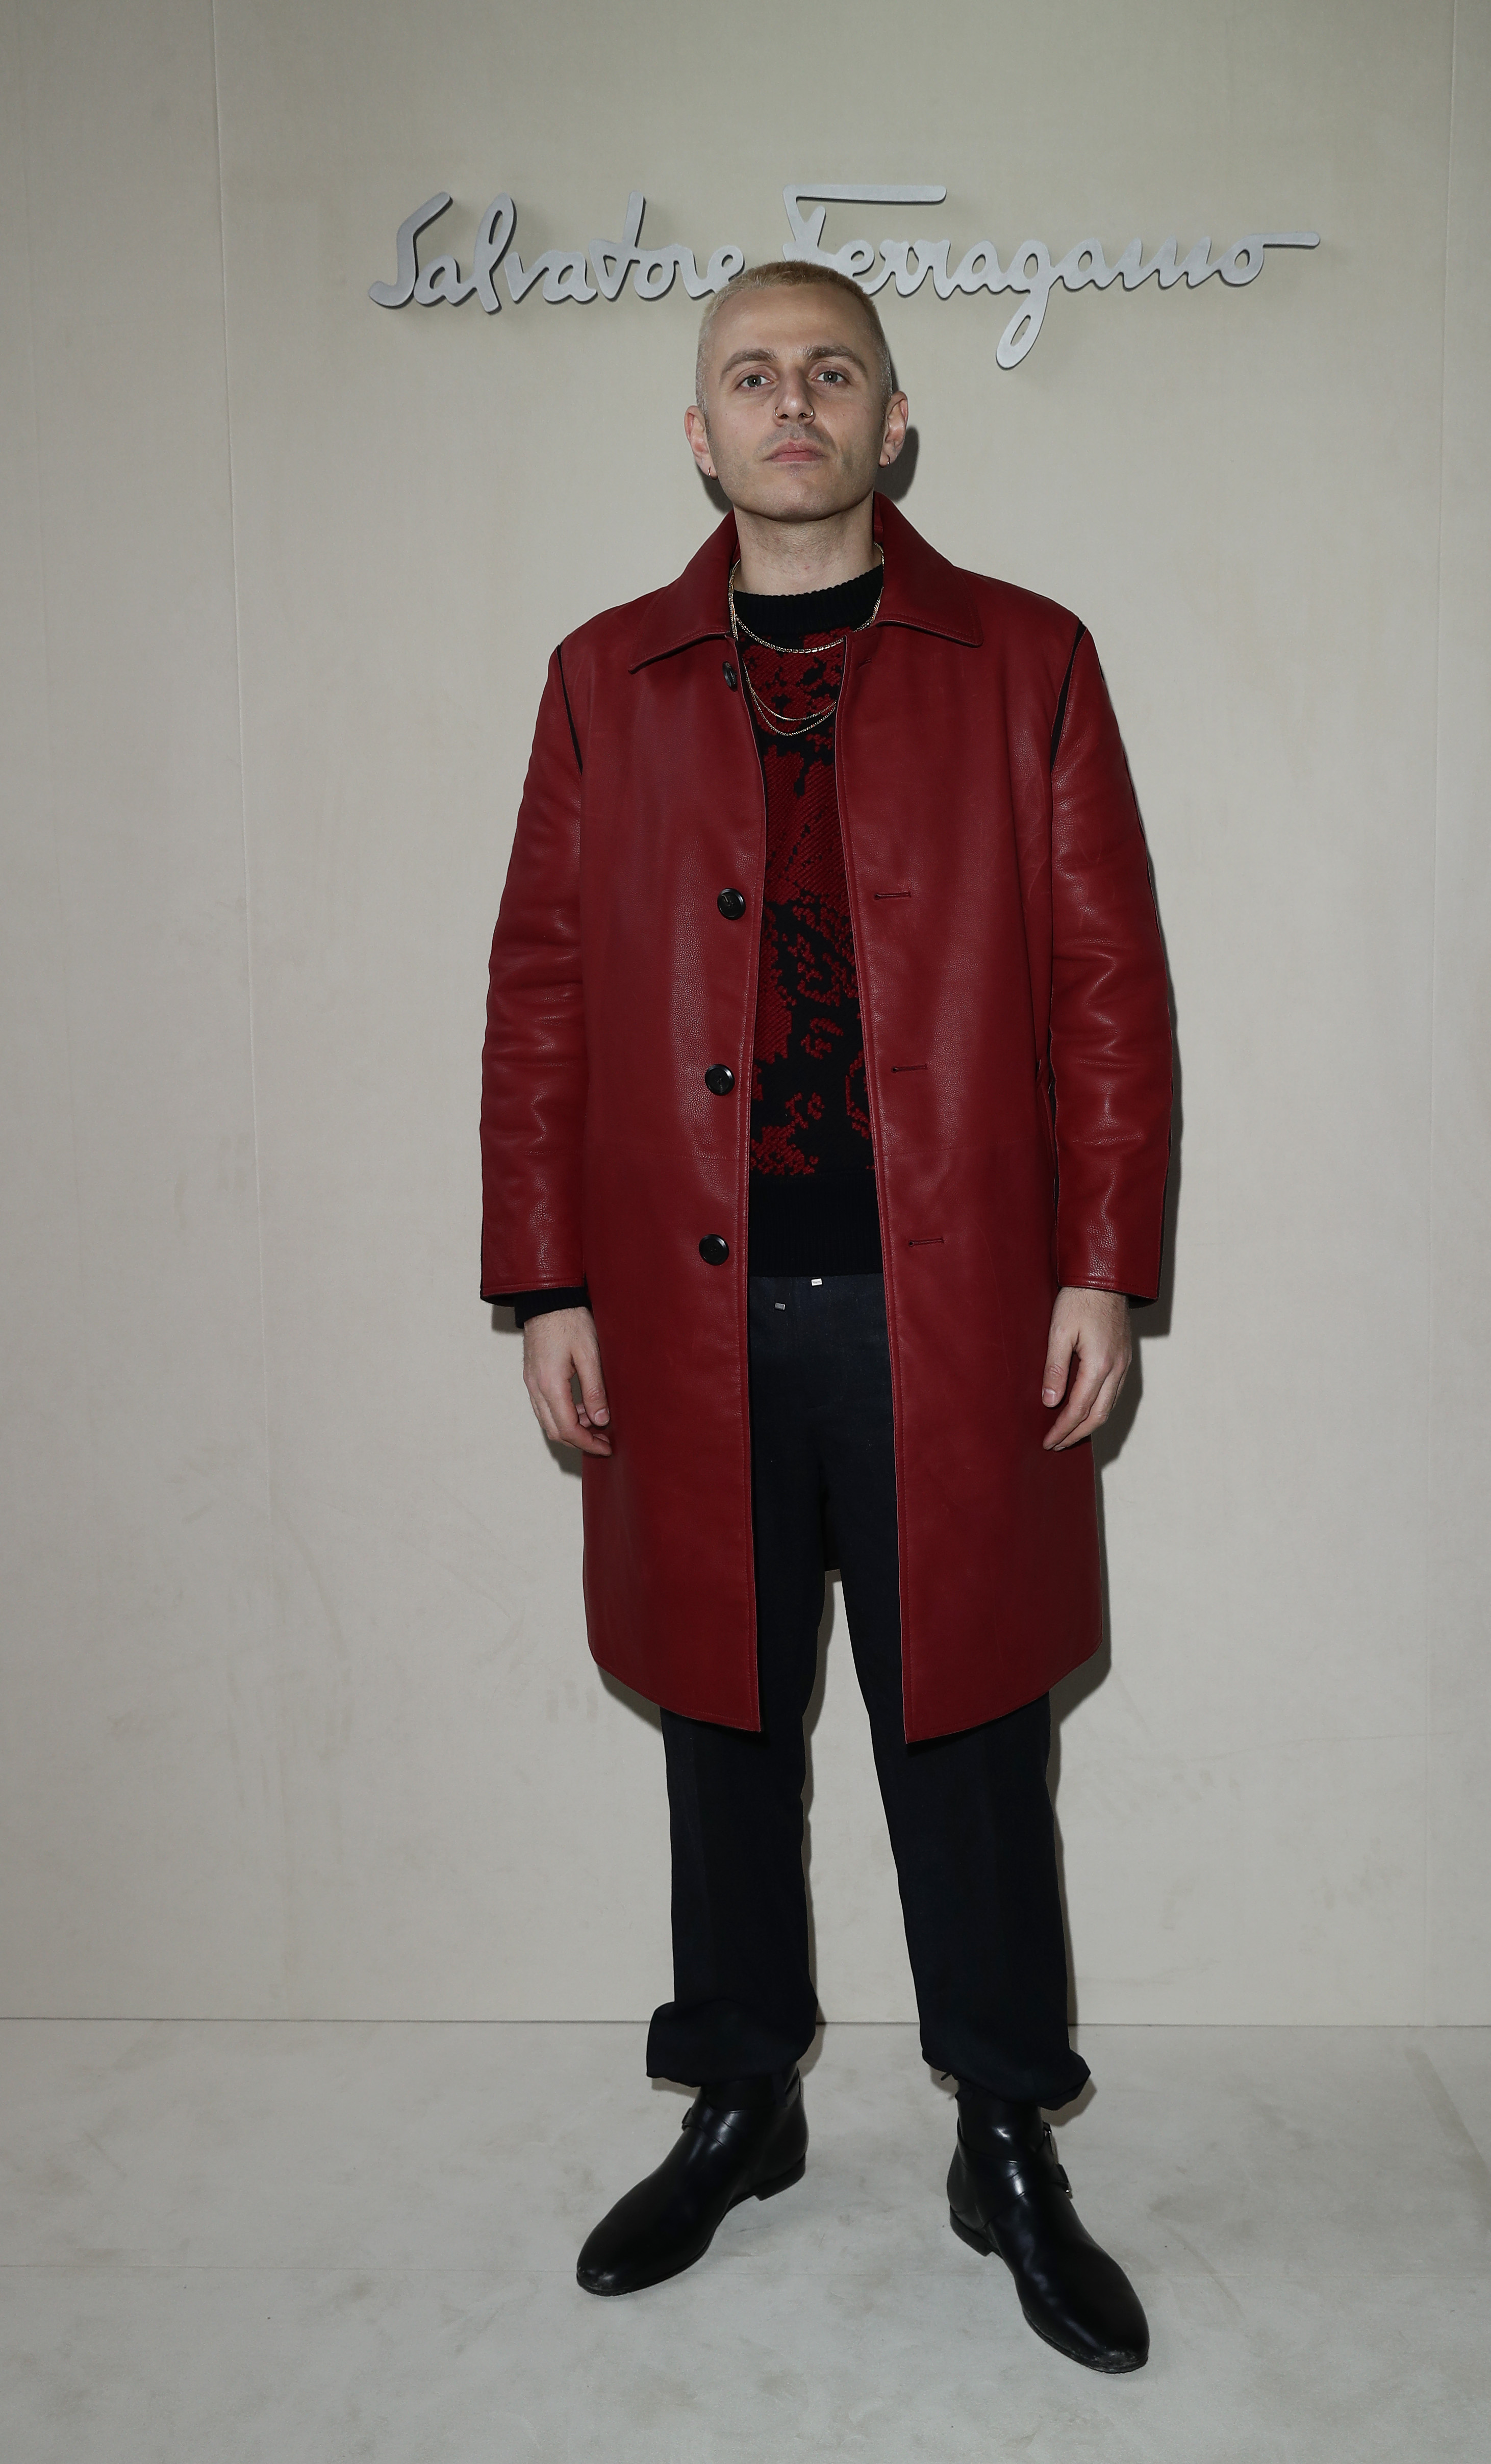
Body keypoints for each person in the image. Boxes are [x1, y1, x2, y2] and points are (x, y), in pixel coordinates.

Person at [481, 259, 1172, 2373]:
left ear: (892, 423)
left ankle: (1003, 2132)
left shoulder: (1026, 660)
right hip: (679, 1309)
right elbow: (541, 990)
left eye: (832, 372)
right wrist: (544, 1278)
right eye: (752, 375)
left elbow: (1105, 980)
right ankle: (741, 2097)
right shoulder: (604, 679)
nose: (793, 404)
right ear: (699, 434)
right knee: (721, 1717)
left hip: (951, 1309)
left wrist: (1100, 1260)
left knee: (966, 1729)